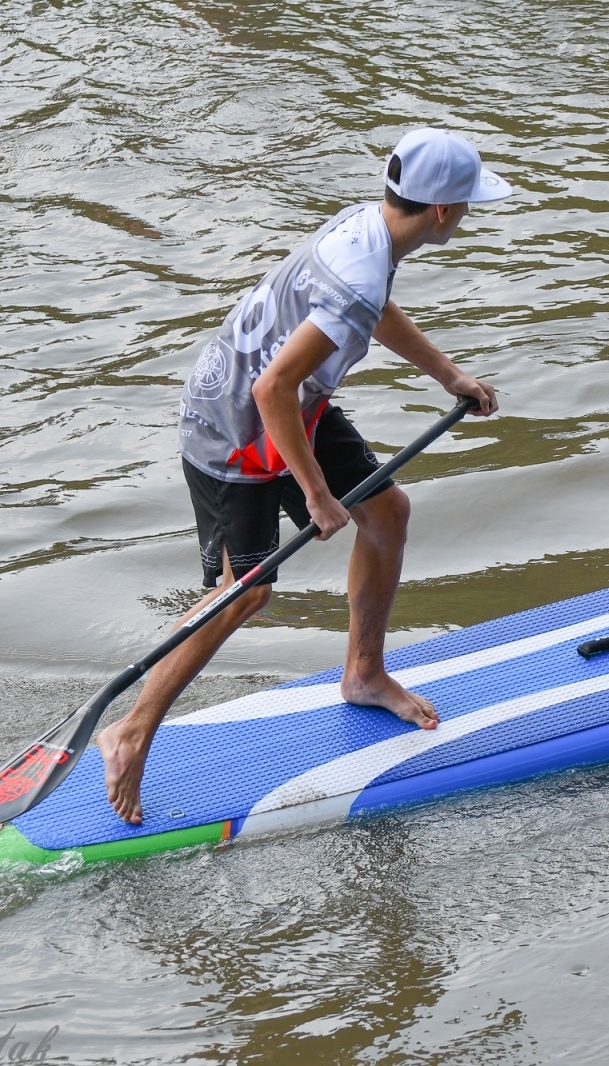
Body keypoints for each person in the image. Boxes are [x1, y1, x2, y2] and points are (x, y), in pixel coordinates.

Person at [96, 128, 510, 825]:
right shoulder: (357, 273)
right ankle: (132, 729)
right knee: (245, 593)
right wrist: (316, 495)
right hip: (233, 423)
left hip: (290, 404)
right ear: (442, 212)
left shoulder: (368, 231)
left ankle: (365, 674)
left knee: (388, 512)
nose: (467, 217)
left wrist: (448, 375)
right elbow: (270, 391)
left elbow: (368, 312)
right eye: (467, 206)